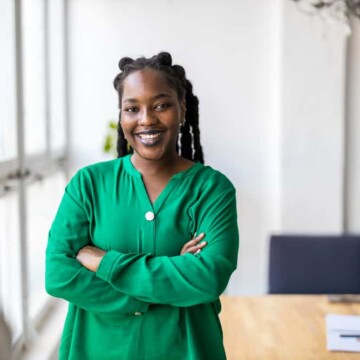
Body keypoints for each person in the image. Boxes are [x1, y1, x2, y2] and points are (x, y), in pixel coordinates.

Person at [45, 52, 239, 360]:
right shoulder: (88, 185)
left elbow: (209, 278)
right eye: (132, 108)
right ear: (121, 116)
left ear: (182, 109)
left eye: (161, 105)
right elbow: (59, 275)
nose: (146, 118)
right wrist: (170, 279)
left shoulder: (212, 189)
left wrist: (105, 263)